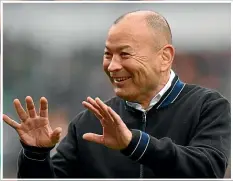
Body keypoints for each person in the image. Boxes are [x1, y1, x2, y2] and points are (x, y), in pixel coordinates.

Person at [3, 10, 230, 178]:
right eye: (108, 54)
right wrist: (35, 155)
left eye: (124, 54)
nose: (112, 66)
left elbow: (209, 169)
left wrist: (134, 143)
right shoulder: (89, 122)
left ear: (165, 57)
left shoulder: (208, 107)